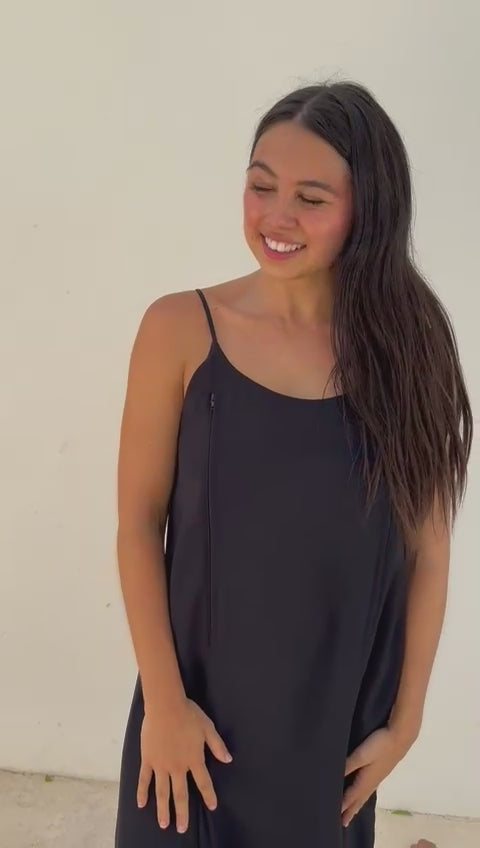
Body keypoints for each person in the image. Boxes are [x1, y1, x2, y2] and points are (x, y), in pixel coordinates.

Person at [114, 81, 472, 848]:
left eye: (311, 198)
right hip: (192, 727)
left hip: (330, 735)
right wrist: (165, 707)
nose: (277, 216)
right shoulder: (180, 329)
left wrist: (406, 723)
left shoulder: (409, 351)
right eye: (261, 185)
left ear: (367, 209)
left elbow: (430, 553)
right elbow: (138, 525)